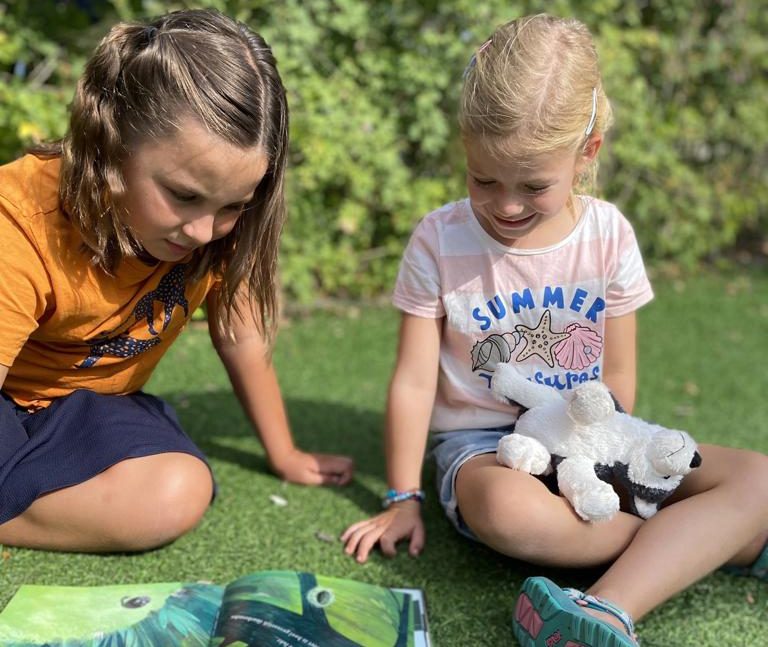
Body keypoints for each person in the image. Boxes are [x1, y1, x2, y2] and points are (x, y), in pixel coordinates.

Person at [341, 14, 768, 647]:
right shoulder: (438, 239)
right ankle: (702, 540)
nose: (506, 205)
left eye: (533, 185)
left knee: (758, 477)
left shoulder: (609, 235)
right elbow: (412, 380)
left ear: (586, 152)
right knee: (509, 512)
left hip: (593, 432)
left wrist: (598, 444)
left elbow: (619, 380)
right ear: (464, 144)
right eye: (484, 179)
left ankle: (603, 606)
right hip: (486, 450)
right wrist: (405, 495)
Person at [0, 8, 353, 554]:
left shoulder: (219, 229)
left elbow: (242, 337)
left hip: (81, 407)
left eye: (233, 206)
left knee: (177, 491)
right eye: (183, 196)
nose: (203, 230)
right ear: (110, 142)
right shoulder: (20, 224)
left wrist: (283, 454)